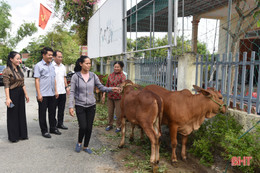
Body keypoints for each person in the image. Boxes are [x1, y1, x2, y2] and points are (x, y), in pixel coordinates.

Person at [69, 56, 120, 153]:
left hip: (91, 105)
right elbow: (72, 92)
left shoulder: (93, 76)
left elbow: (101, 87)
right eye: (86, 63)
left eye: (89, 63)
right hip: (80, 105)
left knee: (89, 127)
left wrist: (112, 88)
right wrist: (71, 106)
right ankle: (79, 142)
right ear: (81, 64)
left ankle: (86, 146)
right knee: (83, 126)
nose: (89, 65)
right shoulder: (76, 77)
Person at [34, 47, 61, 138]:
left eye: (51, 55)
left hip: (52, 93)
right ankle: (44, 131)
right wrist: (39, 94)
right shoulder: (38, 66)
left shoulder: (52, 66)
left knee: (52, 112)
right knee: (42, 113)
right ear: (44, 55)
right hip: (43, 94)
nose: (51, 57)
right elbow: (37, 80)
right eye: (49, 55)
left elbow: (54, 79)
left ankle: (53, 128)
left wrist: (56, 91)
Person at [3, 51, 29, 142]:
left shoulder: (20, 69)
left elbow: (22, 83)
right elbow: (6, 85)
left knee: (21, 114)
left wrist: (26, 94)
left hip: (20, 93)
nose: (19, 60)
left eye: (20, 58)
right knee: (12, 115)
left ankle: (22, 134)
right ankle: (13, 137)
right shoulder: (7, 70)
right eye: (17, 58)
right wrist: (8, 98)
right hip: (12, 93)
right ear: (11, 59)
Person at [102, 61, 126, 133]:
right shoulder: (110, 75)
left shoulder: (122, 76)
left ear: (121, 68)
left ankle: (118, 126)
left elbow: (123, 86)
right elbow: (106, 85)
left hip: (119, 98)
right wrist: (104, 94)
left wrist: (120, 90)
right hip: (110, 97)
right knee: (110, 112)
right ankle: (110, 124)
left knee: (118, 113)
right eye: (115, 67)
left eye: (118, 67)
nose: (116, 68)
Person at [52, 50, 69, 130]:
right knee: (53, 109)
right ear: (54, 57)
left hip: (62, 91)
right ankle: (53, 125)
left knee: (61, 109)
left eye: (61, 57)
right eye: (59, 57)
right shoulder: (51, 66)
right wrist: (55, 91)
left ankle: (60, 123)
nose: (60, 58)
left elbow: (64, 77)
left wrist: (66, 87)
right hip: (54, 92)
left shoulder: (63, 66)